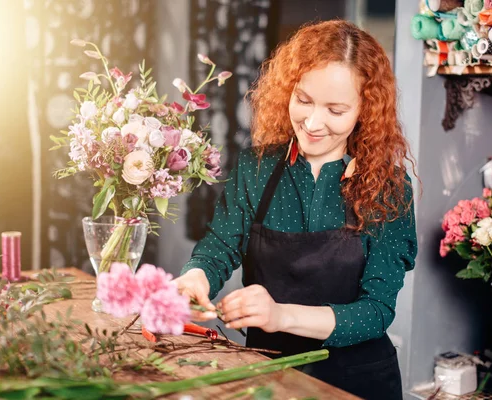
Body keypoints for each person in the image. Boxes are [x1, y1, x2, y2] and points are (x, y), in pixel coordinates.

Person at [173, 19, 418, 400]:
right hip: (267, 374)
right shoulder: (257, 168)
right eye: (303, 100)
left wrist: (280, 316)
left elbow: (377, 311)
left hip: (358, 382)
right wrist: (196, 278)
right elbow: (220, 245)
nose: (313, 122)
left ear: (364, 110)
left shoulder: (389, 187)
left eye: (335, 110)